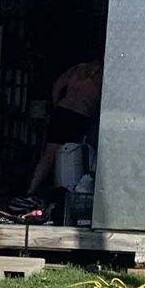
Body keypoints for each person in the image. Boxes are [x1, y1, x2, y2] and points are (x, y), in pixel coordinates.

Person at [28, 57, 103, 195]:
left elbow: (57, 86)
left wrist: (57, 106)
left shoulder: (77, 69)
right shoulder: (102, 75)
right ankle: (70, 193)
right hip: (81, 115)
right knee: (75, 156)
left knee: (48, 155)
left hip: (62, 112)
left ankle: (31, 190)